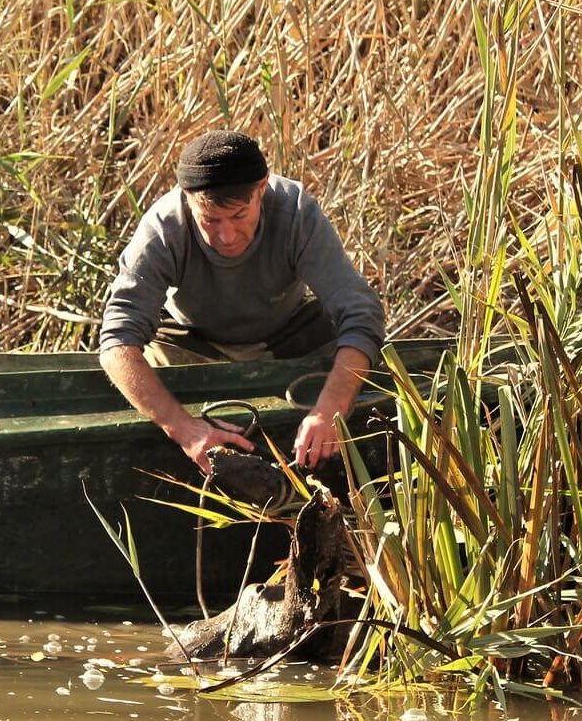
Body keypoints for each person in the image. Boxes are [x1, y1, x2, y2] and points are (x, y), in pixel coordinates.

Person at [98, 130, 385, 475]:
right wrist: (184, 429)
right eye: (210, 220)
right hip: (188, 340)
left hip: (288, 333)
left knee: (368, 376)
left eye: (238, 216)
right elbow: (117, 343)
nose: (226, 236)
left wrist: (329, 410)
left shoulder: (295, 212)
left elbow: (361, 313)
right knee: (136, 386)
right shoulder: (163, 228)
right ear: (187, 198)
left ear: (261, 189)